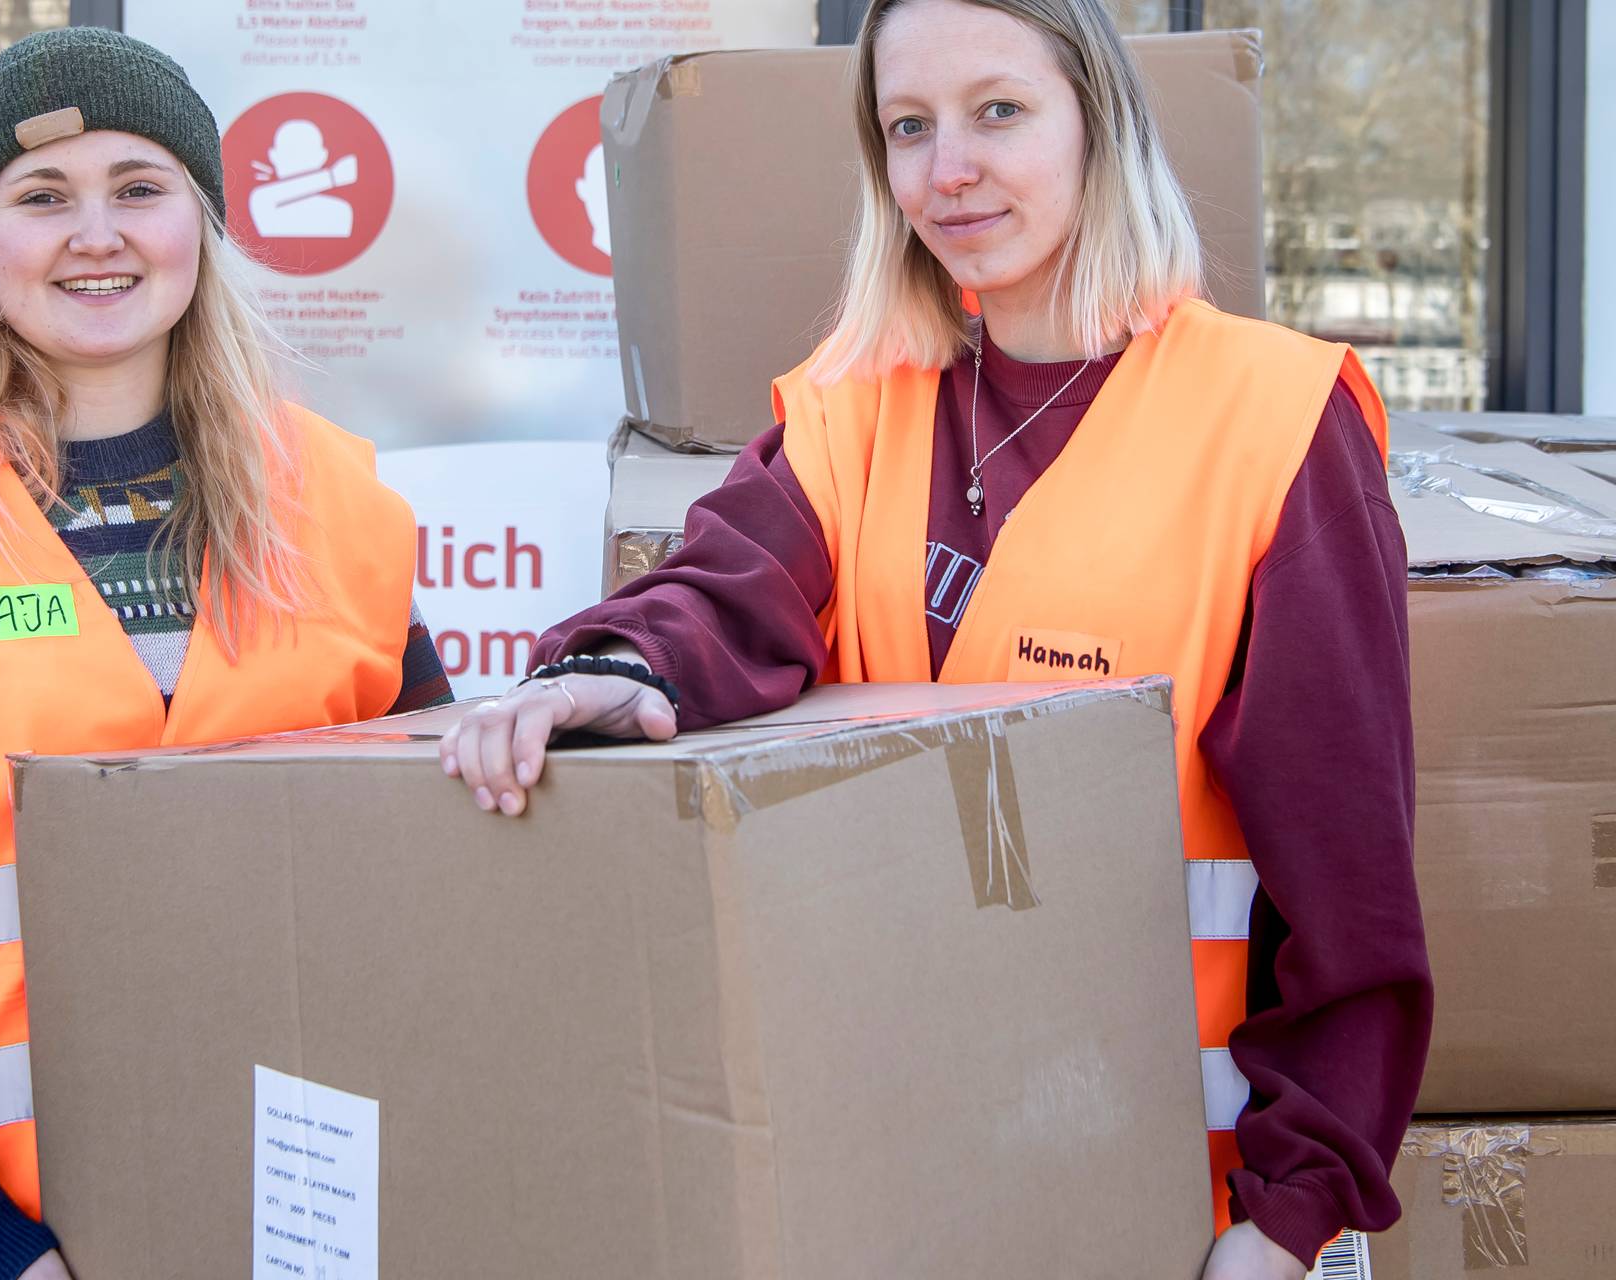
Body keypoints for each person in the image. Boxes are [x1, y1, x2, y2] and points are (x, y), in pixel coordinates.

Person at [441, 2, 1429, 1277]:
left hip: (1176, 1189)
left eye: (998, 112)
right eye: (909, 127)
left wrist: (1288, 1219)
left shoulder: (1274, 422)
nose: (947, 168)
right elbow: (726, 587)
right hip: (890, 1159)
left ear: (1101, 122)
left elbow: (1347, 876)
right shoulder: (858, 407)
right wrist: (611, 668)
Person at [0, 29, 450, 1280]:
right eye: (42, 197)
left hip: (281, 1223)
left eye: (140, 189)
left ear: (202, 225)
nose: (94, 234)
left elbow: (432, 884)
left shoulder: (337, 505)